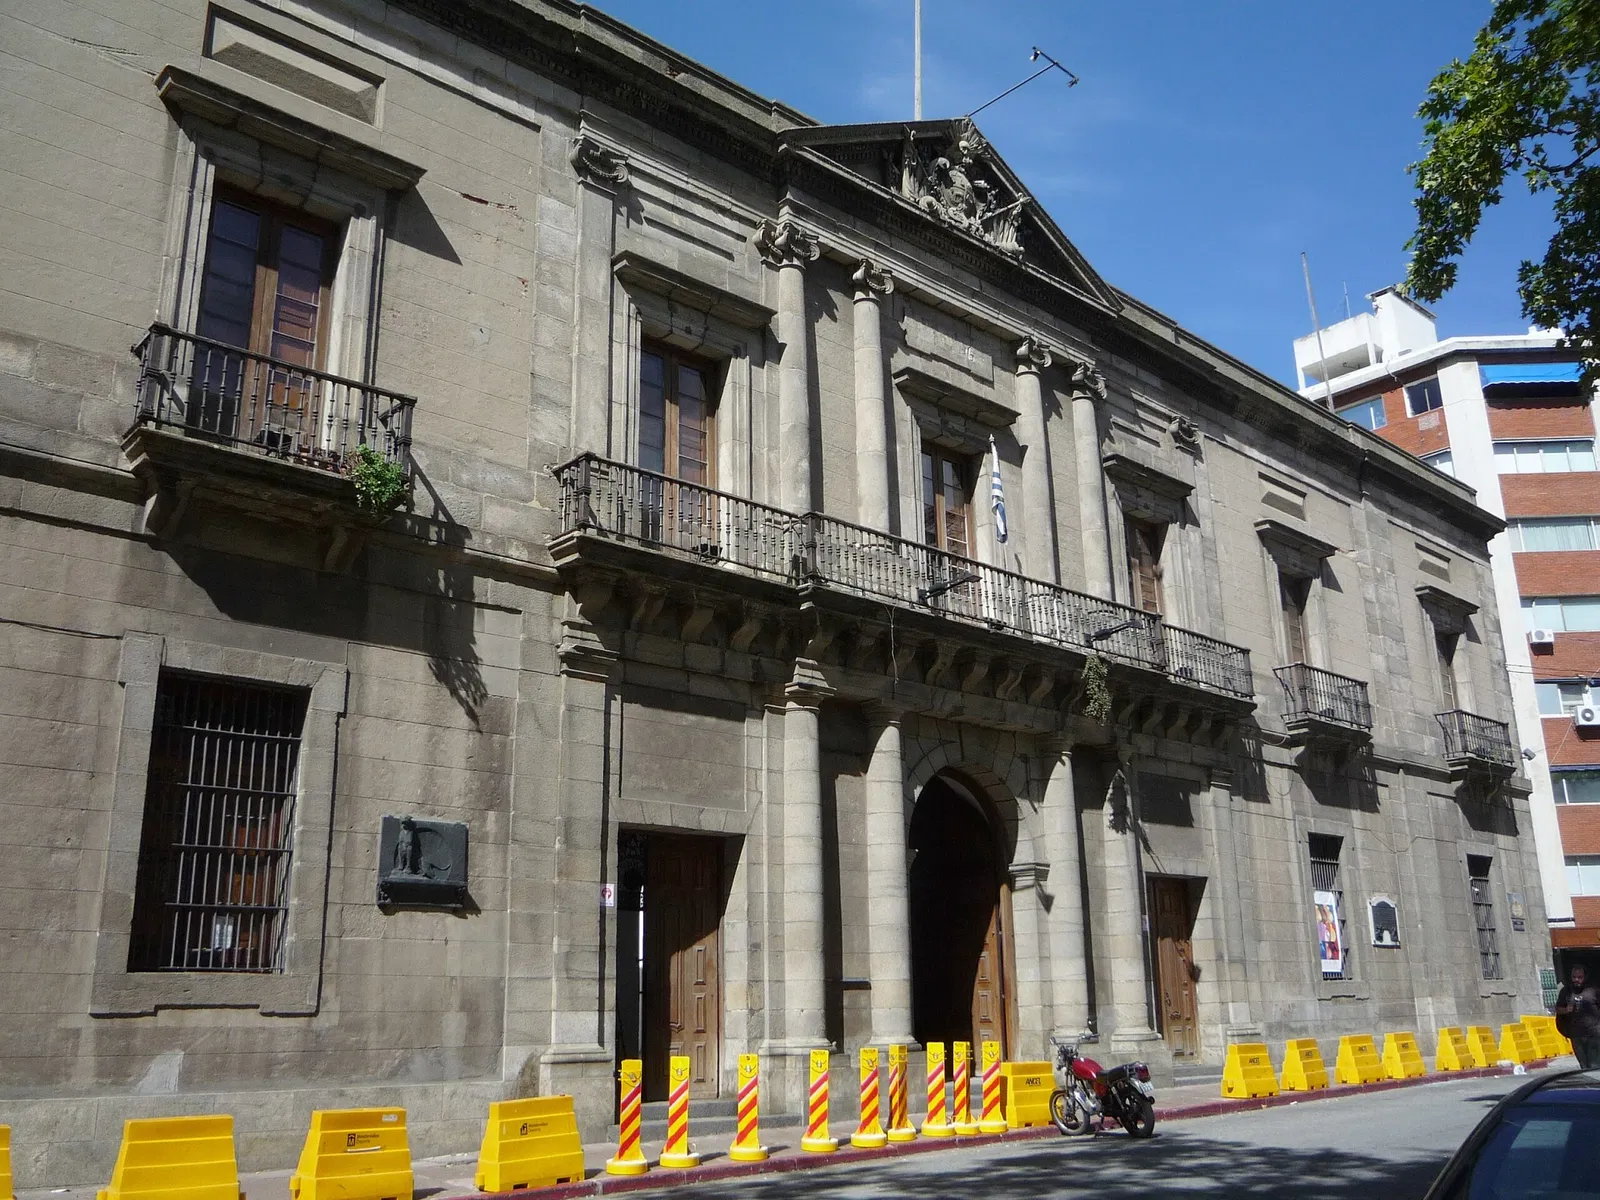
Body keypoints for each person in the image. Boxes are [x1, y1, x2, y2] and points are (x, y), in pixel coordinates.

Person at [1555, 963, 1600, 1069]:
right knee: (1583, 1066)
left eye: (1580, 977)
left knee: (1594, 1065)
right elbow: (1558, 1009)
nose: (1576, 980)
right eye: (1574, 977)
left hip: (1594, 1034)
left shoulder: (1594, 991)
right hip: (1576, 1035)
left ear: (1585, 977)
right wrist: (1566, 1010)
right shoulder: (1566, 991)